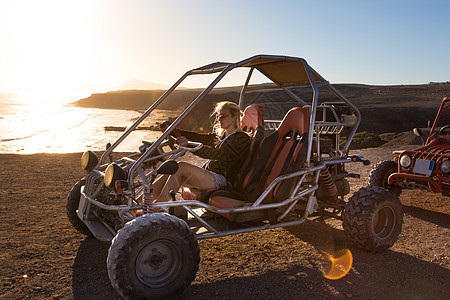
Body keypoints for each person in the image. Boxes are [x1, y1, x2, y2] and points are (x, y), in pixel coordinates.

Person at [153, 101, 250, 202]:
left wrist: (189, 145)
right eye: (217, 116)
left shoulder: (241, 138)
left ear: (235, 117)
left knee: (180, 166)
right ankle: (138, 204)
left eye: (222, 116)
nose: (219, 119)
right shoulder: (221, 136)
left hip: (224, 181)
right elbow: (198, 137)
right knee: (171, 171)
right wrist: (173, 131)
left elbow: (219, 154)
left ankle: (156, 207)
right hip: (211, 175)